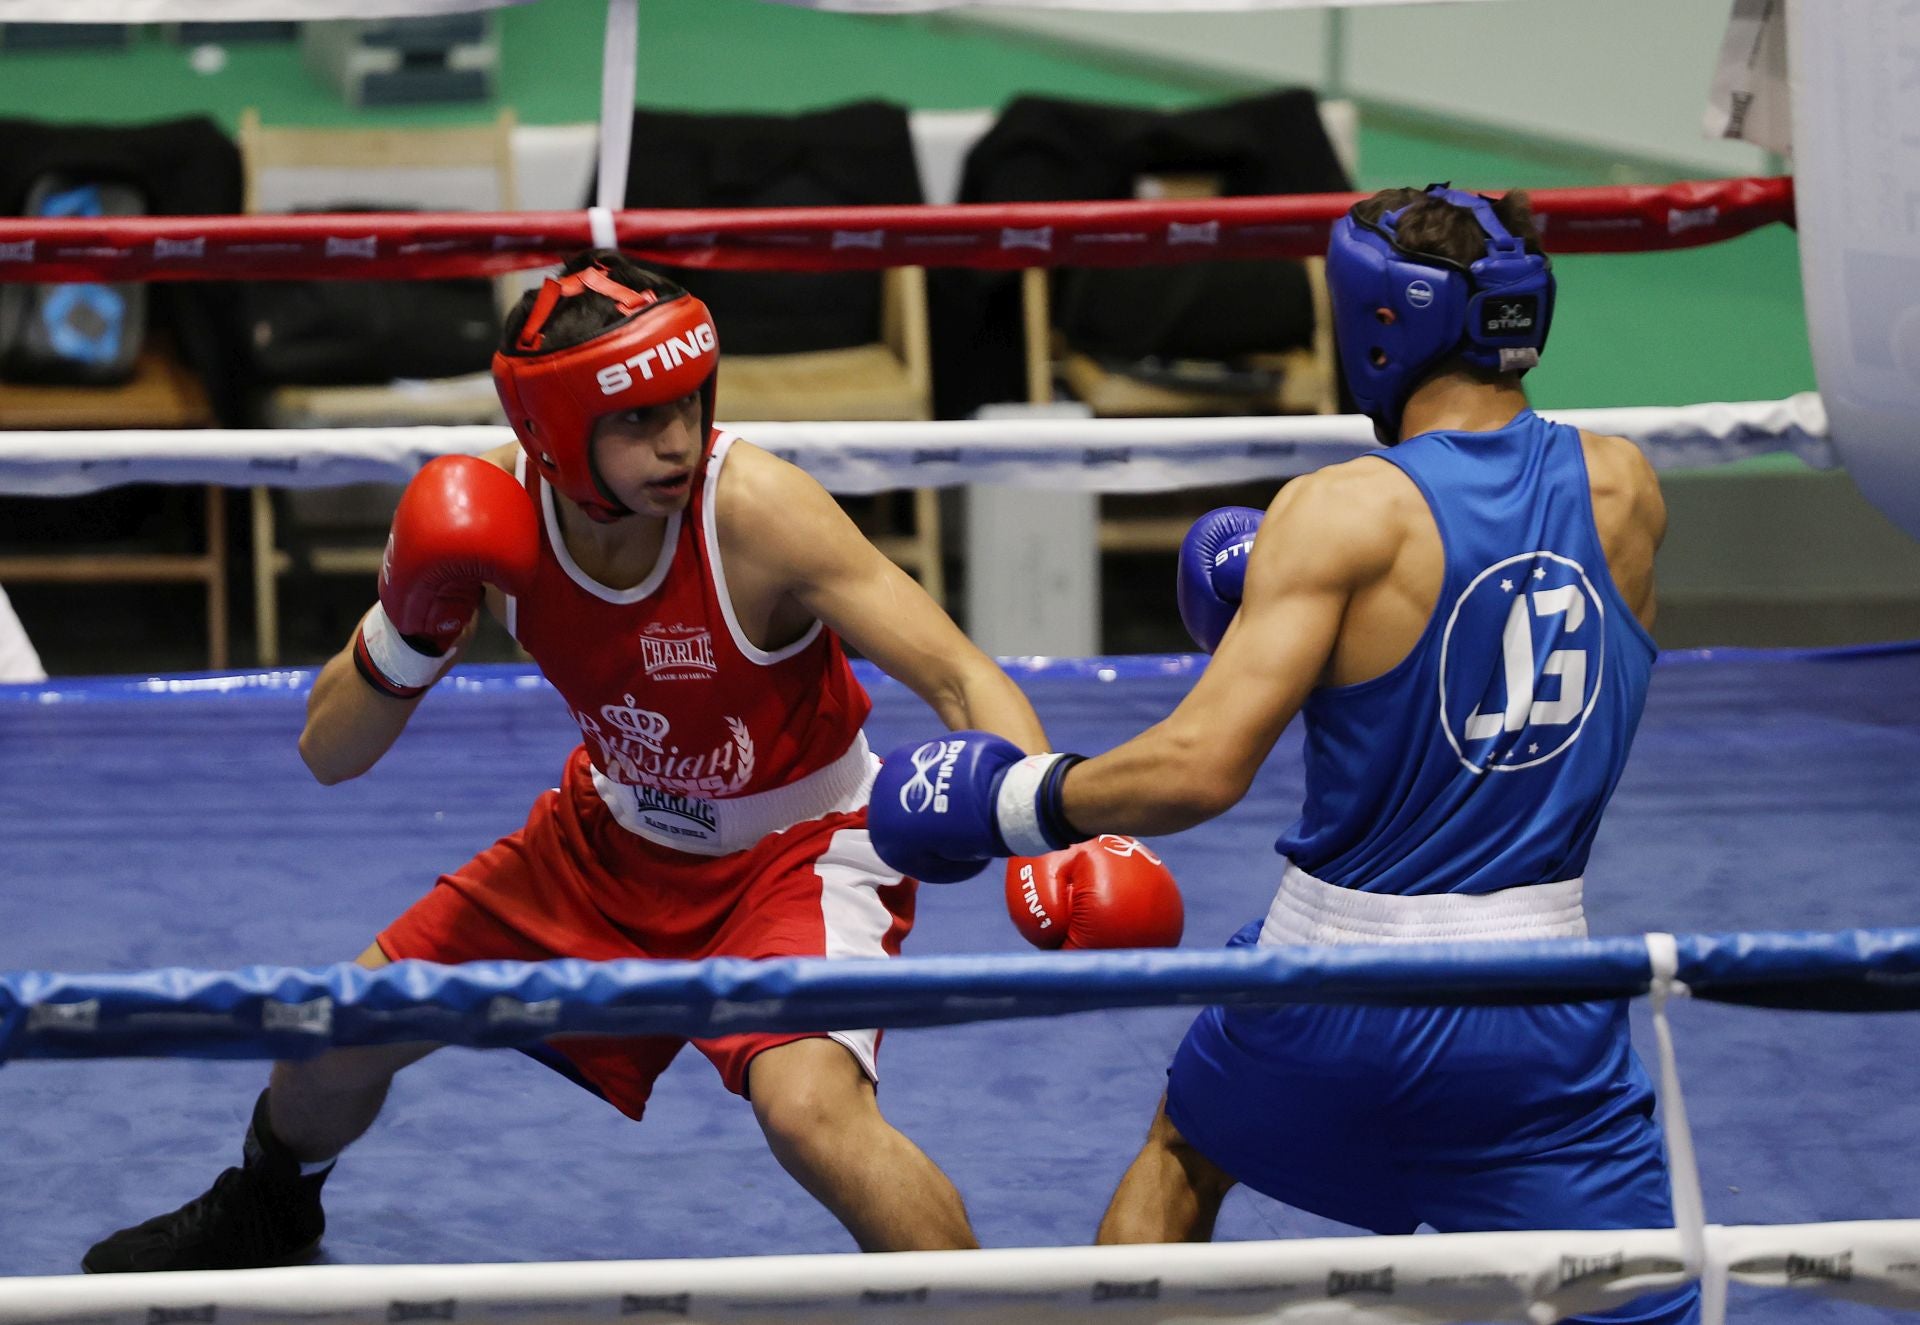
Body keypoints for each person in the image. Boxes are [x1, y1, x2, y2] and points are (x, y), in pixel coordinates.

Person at [83, 250, 1178, 1273]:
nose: (678, 439)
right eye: (639, 416)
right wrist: (409, 629)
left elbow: (956, 673)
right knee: (336, 1030)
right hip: (605, 840)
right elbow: (330, 752)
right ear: (557, 432)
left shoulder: (753, 509)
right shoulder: (491, 519)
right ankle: (270, 1208)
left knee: (809, 1107)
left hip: (797, 849)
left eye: (691, 401)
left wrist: (1044, 820)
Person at [865, 186, 1700, 1323]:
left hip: (1330, 985)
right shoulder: (1626, 489)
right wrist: (1322, 650)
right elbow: (1494, 690)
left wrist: (1018, 798)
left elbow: (1199, 766)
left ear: (1377, 325)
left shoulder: (1343, 512)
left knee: (1184, 1154)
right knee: (1635, 1299)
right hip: (1542, 1002)